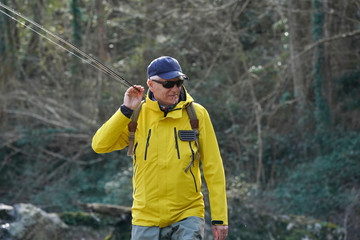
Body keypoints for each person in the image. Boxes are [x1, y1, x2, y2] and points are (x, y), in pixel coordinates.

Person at [92, 56, 228, 240]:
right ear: (151, 84)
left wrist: (220, 218)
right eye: (168, 84)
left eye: (179, 82)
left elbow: (214, 167)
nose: (175, 89)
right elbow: (99, 145)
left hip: (187, 213)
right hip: (145, 217)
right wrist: (125, 110)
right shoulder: (136, 115)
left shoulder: (197, 115)